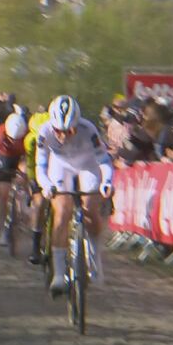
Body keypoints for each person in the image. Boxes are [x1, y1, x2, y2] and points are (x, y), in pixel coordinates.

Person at [36, 95, 114, 294]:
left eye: (69, 130)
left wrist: (106, 182)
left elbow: (104, 161)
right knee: (62, 213)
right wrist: (46, 185)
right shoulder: (44, 132)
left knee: (90, 210)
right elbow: (41, 165)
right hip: (60, 166)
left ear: (77, 124)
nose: (63, 135)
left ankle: (94, 258)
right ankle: (59, 274)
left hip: (88, 165)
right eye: (58, 131)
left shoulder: (89, 130)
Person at [0, 113, 27, 238]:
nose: (13, 141)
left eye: (16, 139)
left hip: (19, 157)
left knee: (24, 178)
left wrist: (24, 174)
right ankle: (0, 221)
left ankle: (20, 213)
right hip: (2, 156)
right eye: (11, 138)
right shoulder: (1, 132)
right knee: (2, 192)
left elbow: (27, 158)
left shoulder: (26, 134)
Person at [25, 109, 50, 265]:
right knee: (39, 203)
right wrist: (32, 181)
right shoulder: (31, 141)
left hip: (56, 170)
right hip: (37, 171)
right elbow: (29, 165)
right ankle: (35, 246)